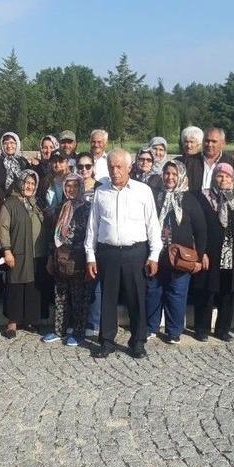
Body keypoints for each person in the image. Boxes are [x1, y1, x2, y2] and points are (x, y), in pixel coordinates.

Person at [85, 149, 162, 359]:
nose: (115, 171)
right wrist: (90, 256)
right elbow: (93, 226)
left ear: (129, 167)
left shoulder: (143, 191)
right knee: (107, 298)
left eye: (119, 167)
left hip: (135, 252)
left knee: (136, 297)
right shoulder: (101, 192)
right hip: (107, 252)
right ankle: (107, 341)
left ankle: (138, 341)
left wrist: (154, 254)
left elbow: (152, 225)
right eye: (111, 166)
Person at [146, 160, 206, 343]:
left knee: (177, 294)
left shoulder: (189, 200)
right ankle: (151, 327)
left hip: (181, 259)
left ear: (180, 176)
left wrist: (200, 256)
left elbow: (201, 229)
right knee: (153, 292)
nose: (170, 177)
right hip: (157, 255)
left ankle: (174, 331)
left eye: (174, 174)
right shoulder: (155, 196)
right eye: (167, 173)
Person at [192, 163, 234, 341]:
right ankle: (202, 329)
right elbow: (200, 227)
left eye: (227, 177)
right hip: (210, 251)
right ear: (213, 177)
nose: (224, 180)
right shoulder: (204, 197)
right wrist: (202, 252)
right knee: (207, 291)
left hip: (231, 251)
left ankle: (223, 329)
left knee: (228, 291)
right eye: (220, 176)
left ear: (233, 179)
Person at [0, 170, 47, 339]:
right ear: (20, 182)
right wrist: (6, 250)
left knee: (33, 287)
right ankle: (12, 323)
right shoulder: (10, 203)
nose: (29, 186)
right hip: (18, 252)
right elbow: (3, 228)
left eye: (33, 184)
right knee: (16, 286)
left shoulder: (36, 202)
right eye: (27, 182)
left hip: (37, 253)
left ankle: (30, 320)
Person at [46, 174, 91, 346]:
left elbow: (90, 234)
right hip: (61, 258)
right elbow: (53, 235)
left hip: (79, 259)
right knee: (60, 295)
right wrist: (51, 257)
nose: (71, 190)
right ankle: (59, 330)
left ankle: (79, 332)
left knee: (79, 297)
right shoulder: (60, 208)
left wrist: (89, 260)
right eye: (68, 186)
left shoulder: (87, 208)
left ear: (81, 187)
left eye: (75, 186)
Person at [75, 152, 101, 338]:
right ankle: (78, 322)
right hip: (76, 241)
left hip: (96, 241)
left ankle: (94, 322)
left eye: (87, 166)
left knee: (95, 283)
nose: (84, 170)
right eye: (80, 167)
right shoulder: (74, 186)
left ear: (93, 167)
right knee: (78, 284)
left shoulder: (101, 187)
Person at [184, 127, 234, 192]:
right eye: (207, 141)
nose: (209, 144)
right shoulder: (190, 161)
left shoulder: (231, 163)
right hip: (193, 201)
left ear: (222, 143)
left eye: (214, 141)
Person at [0, 132, 29, 196]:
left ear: (17, 144)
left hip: (20, 202)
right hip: (2, 202)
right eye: (5, 143)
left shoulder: (23, 162)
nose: (9, 146)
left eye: (12, 143)